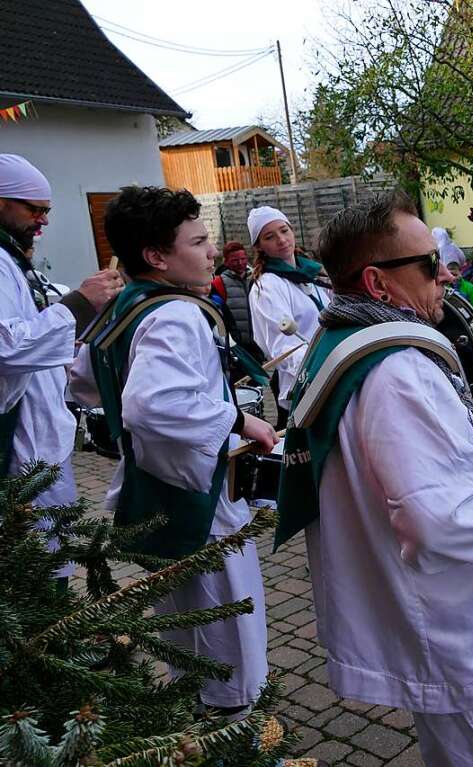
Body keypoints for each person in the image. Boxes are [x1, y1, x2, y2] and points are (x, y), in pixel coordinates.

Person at [272, 189, 473, 766]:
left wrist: (463, 451)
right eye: (426, 263)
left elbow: (381, 461)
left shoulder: (340, 340)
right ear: (377, 283)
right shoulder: (398, 369)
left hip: (426, 608)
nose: (444, 273)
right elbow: (438, 517)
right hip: (449, 618)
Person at [69, 185, 277, 715]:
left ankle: (204, 733)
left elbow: (84, 382)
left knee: (190, 643)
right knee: (232, 654)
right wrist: (237, 416)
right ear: (156, 256)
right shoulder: (177, 315)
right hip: (200, 504)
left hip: (155, 495)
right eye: (200, 241)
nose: (212, 252)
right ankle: (239, 743)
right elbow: (150, 405)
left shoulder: (123, 307)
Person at [0, 154, 123, 584]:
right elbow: (9, 346)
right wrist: (77, 303)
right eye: (34, 209)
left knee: (50, 559)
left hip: (43, 439)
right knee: (30, 568)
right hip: (17, 445)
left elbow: (36, 336)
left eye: (47, 211)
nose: (43, 221)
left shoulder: (13, 261)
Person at [247, 206, 332, 429]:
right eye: (269, 236)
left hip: (329, 374)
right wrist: (324, 373)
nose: (282, 240)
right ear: (259, 246)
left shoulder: (310, 275)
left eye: (284, 231)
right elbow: (284, 349)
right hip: (308, 385)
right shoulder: (267, 286)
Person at [210, 241, 262, 373]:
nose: (240, 263)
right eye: (235, 260)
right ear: (226, 261)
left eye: (243, 259)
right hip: (238, 346)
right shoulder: (218, 283)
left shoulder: (257, 278)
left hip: (258, 342)